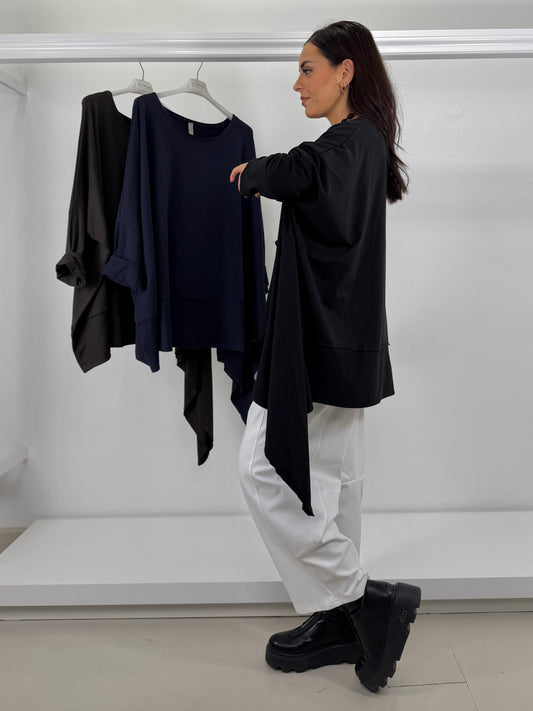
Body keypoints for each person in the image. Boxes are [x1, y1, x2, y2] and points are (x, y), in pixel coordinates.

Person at [230, 20, 421, 693]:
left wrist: (255, 172)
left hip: (320, 347)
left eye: (307, 68)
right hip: (339, 343)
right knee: (335, 483)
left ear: (346, 71)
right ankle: (341, 621)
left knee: (261, 469)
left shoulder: (352, 142)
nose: (297, 83)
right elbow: (316, 187)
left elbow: (300, 172)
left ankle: (363, 599)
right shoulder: (360, 145)